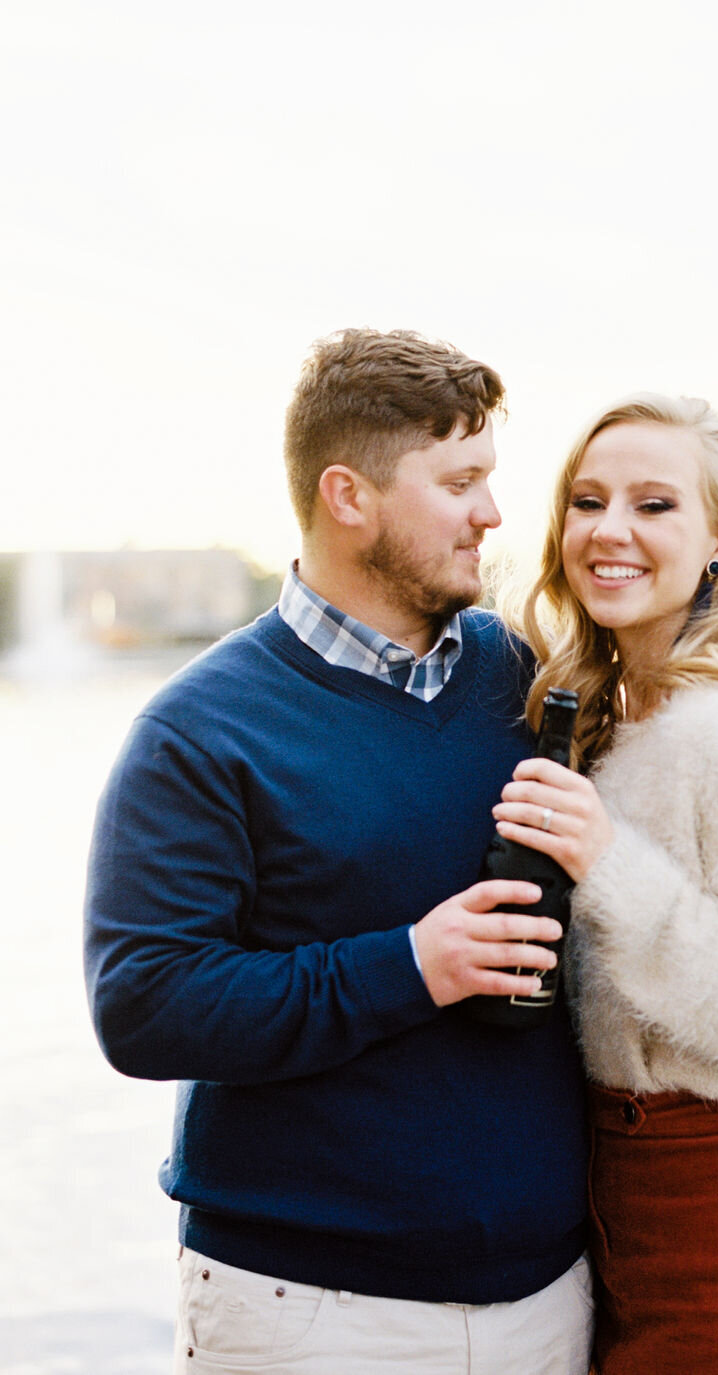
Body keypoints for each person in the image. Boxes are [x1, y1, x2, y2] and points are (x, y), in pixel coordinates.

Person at [84, 329, 592, 1375]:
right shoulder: (201, 732)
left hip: (548, 1296)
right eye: (459, 482)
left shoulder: (523, 681)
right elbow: (143, 1004)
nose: (492, 513)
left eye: (490, 479)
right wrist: (410, 965)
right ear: (348, 496)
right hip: (311, 1313)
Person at [490, 393, 718, 1373]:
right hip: (621, 1215)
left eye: (653, 504)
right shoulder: (615, 714)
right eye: (587, 500)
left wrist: (607, 863)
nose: (608, 530)